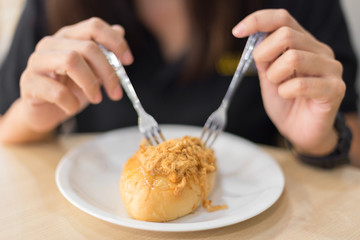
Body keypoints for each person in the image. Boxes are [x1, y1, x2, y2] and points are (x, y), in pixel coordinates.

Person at [0, 0, 359, 167]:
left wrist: (323, 139)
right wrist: (31, 119)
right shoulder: (54, 6)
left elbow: (352, 126)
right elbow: (5, 127)